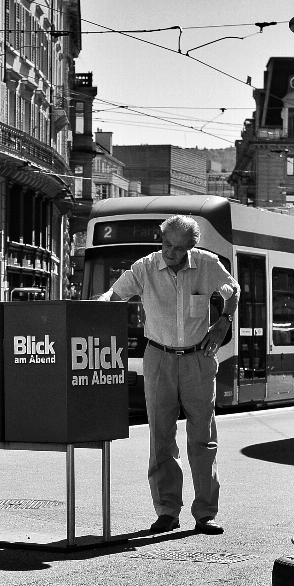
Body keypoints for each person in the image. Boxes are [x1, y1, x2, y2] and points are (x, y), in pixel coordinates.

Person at [98, 215, 239, 535]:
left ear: (192, 246)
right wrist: (97, 306)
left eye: (179, 248)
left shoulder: (207, 264)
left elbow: (234, 290)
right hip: (158, 357)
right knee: (161, 438)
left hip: (198, 360)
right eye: (166, 245)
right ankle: (167, 511)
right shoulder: (145, 267)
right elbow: (114, 296)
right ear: (160, 240)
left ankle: (205, 513)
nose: (171, 253)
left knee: (202, 439)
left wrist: (223, 322)